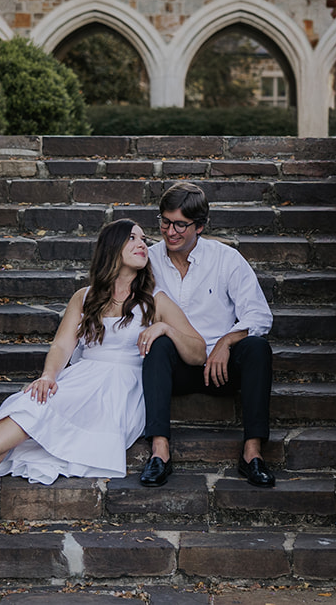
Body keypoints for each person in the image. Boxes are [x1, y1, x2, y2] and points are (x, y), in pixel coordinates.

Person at [0, 218, 206, 525]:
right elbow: (62, 346)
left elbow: (198, 351)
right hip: (82, 377)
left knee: (34, 417)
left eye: (144, 239)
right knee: (28, 405)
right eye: (132, 238)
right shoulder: (85, 296)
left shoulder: (155, 300)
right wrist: (49, 375)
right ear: (112, 247)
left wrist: (164, 328)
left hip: (120, 389)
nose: (142, 244)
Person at [139, 180, 276, 489]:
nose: (170, 232)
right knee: (158, 344)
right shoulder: (147, 260)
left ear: (199, 227)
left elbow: (259, 315)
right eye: (165, 222)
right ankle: (160, 452)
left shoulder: (225, 259)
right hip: (174, 367)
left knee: (257, 348)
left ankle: (252, 454)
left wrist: (227, 341)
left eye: (180, 225)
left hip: (222, 368)